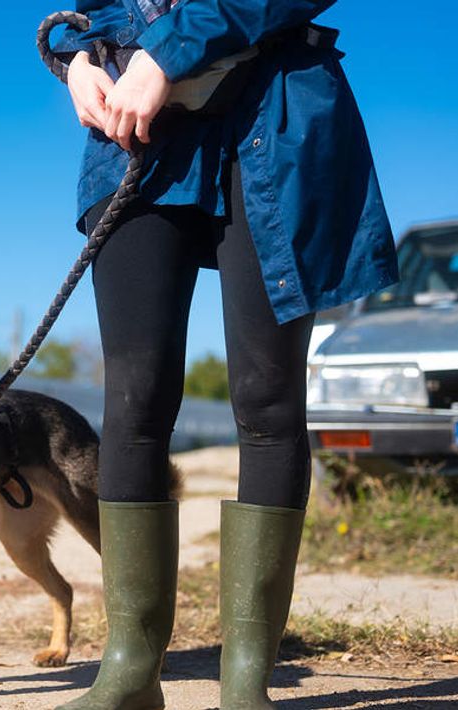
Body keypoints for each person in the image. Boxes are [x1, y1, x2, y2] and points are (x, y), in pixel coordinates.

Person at [50, 1, 399, 709]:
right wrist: (75, 61)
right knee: (134, 399)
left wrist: (167, 52)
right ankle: (130, 670)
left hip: (273, 117)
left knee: (268, 400)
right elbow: (89, 12)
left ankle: (245, 680)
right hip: (136, 132)